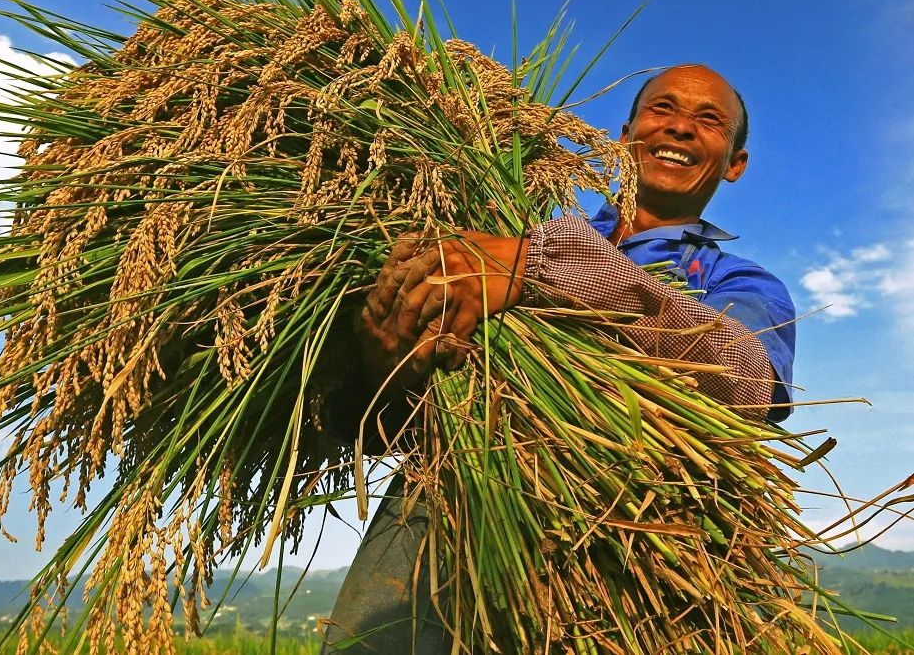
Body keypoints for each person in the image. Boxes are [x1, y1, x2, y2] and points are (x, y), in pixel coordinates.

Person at [320, 64, 796, 653]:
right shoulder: (509, 227)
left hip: (615, 556)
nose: (679, 129)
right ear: (624, 134)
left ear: (735, 163)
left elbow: (744, 381)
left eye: (709, 121)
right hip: (424, 534)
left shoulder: (738, 282)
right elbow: (383, 429)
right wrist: (387, 356)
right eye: (662, 110)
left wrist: (539, 270)